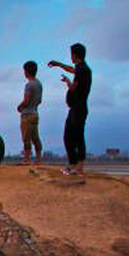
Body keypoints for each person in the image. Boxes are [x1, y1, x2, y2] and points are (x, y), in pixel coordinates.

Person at [48, 42, 90, 174]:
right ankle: (74, 165)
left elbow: (73, 87)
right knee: (69, 136)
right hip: (76, 108)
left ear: (75, 55)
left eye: (71, 54)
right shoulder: (81, 68)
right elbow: (71, 70)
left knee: (76, 137)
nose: (70, 56)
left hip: (79, 107)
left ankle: (78, 167)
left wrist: (67, 81)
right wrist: (59, 65)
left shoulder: (83, 69)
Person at [17, 61, 43, 165]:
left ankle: (26, 160)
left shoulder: (29, 85)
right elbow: (40, 100)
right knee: (35, 137)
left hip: (27, 114)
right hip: (35, 113)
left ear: (27, 71)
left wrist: (20, 106)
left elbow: (26, 100)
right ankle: (38, 160)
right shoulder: (39, 84)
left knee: (26, 138)